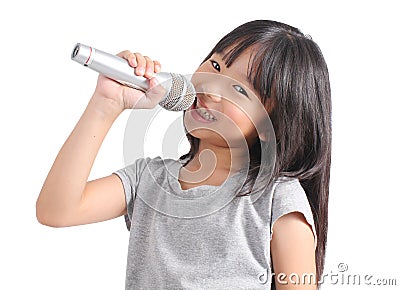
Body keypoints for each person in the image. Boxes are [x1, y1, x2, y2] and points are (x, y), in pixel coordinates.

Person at [37, 20, 331, 289]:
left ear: (271, 125)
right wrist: (106, 103)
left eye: (239, 90)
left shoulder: (276, 199)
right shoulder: (149, 180)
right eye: (216, 67)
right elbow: (56, 210)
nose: (212, 91)